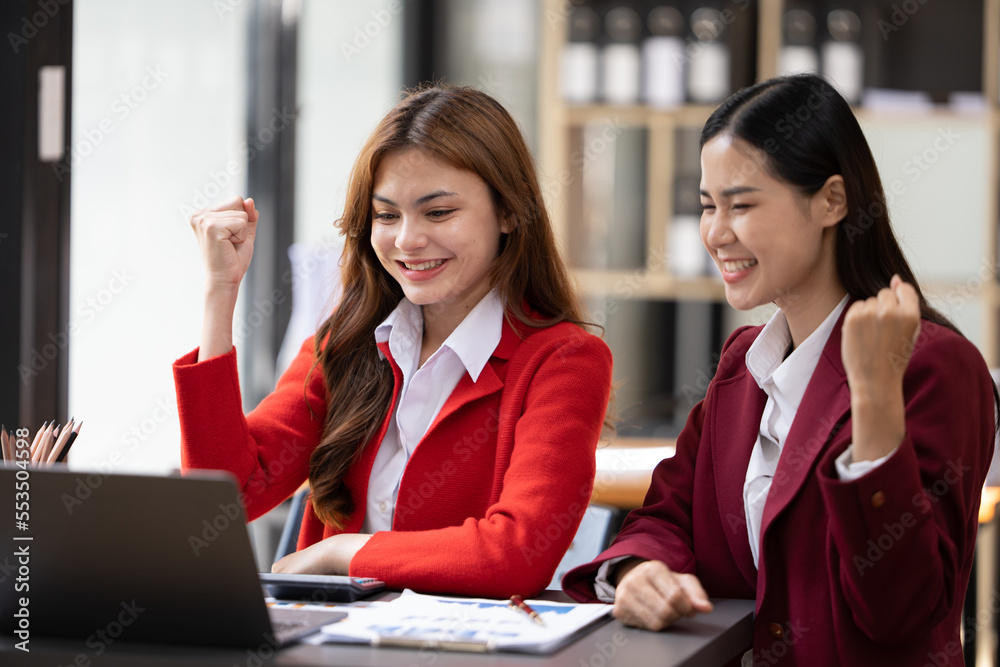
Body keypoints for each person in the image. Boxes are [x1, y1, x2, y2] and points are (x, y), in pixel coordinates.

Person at [563, 73, 998, 665]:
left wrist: (873, 404)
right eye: (707, 205)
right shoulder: (744, 364)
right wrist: (640, 570)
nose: (716, 233)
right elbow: (669, 513)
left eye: (741, 204)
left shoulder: (932, 365)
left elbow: (902, 611)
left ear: (832, 201)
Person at [174, 84, 613, 598]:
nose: (407, 240)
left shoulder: (563, 362)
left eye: (438, 212)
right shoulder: (345, 343)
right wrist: (220, 294)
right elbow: (225, 496)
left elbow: (516, 554)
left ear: (509, 213)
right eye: (386, 215)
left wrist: (342, 552)